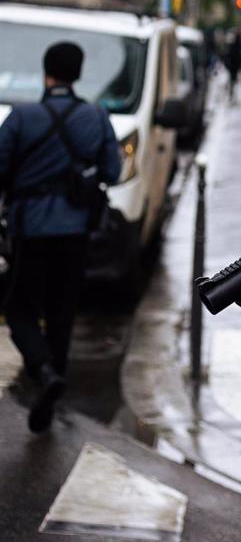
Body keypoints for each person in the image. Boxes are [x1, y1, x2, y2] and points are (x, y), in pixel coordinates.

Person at [0, 41, 121, 433]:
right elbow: (113, 171)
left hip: (31, 230)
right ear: (78, 74)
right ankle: (48, 402)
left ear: (45, 71)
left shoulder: (22, 117)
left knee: (19, 309)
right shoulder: (96, 116)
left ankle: (42, 370)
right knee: (62, 313)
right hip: (76, 231)